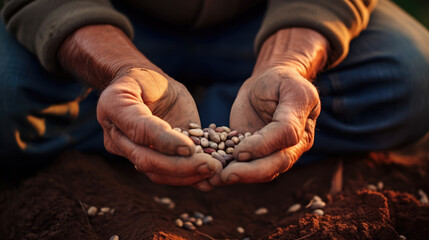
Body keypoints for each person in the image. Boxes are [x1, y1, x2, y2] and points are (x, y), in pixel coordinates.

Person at [1, 0, 428, 191]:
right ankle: (132, 114)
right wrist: (124, 69)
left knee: (412, 76)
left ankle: (122, 123)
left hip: (263, 21)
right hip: (105, 20)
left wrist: (287, 66)